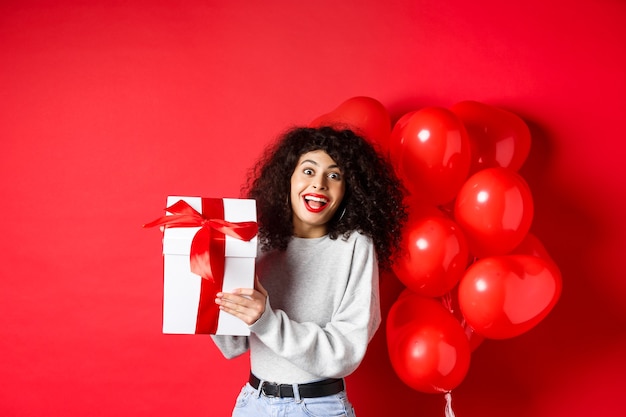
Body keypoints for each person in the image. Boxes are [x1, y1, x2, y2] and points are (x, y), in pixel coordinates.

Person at [212, 126, 407, 416]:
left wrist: (266, 320)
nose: (319, 184)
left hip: (318, 408)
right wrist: (207, 283)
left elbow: (345, 352)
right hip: (253, 403)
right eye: (308, 171)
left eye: (334, 175)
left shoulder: (354, 245)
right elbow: (234, 344)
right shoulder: (259, 239)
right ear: (287, 179)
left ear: (348, 190)